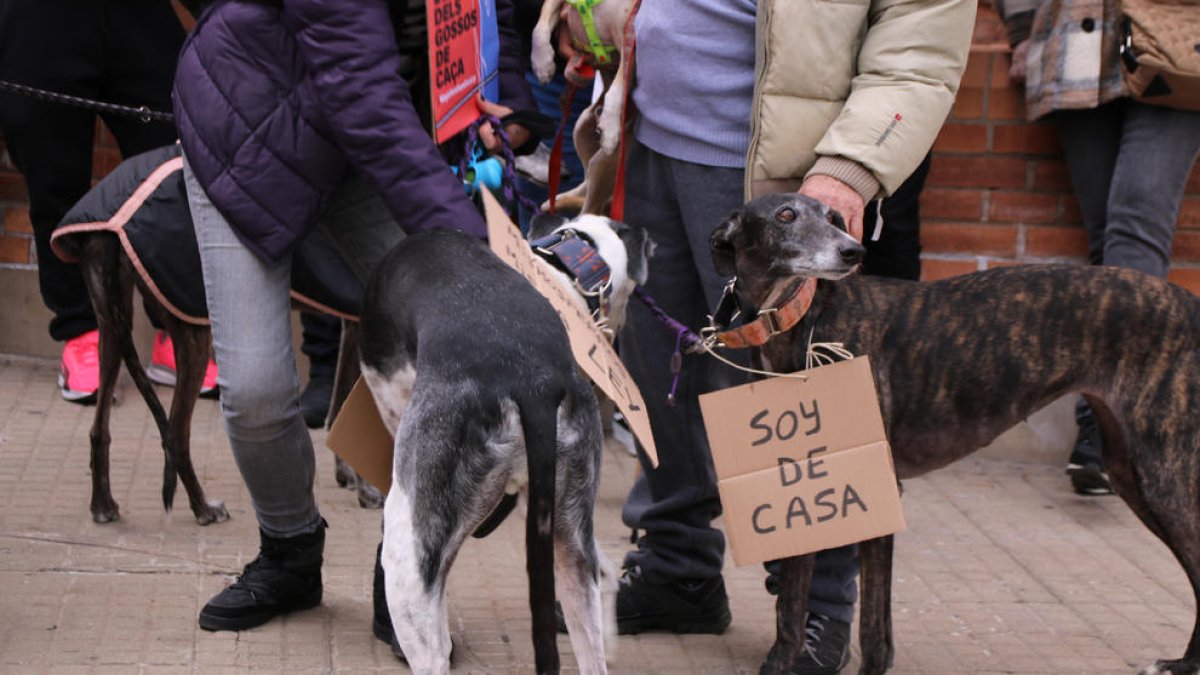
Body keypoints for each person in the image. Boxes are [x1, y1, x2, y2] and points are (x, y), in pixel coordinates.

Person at [606, 3, 974, 674]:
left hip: (784, 170)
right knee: (660, 363)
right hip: (650, 135)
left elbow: (922, 39)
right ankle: (677, 568)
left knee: (795, 397)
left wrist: (854, 164)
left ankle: (817, 608)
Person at [171, 0, 539, 635]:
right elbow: (362, 96)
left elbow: (486, 12)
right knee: (256, 389)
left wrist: (508, 99)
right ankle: (289, 551)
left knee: (444, 360)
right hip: (249, 132)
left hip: (363, 146)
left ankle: (403, 570)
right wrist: (468, 249)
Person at [997, 0, 1200, 496]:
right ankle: (1110, 418)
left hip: (1177, 43)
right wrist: (1023, 28)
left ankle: (1121, 427)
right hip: (1075, 49)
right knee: (1106, 240)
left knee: (1136, 228)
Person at [0, 0, 219, 403]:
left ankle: (176, 324)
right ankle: (80, 331)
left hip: (133, 12)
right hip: (37, 16)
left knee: (177, 149)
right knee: (53, 176)